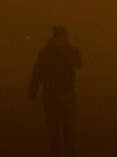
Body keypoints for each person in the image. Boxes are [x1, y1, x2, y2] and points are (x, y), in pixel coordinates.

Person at [29, 26, 82, 157]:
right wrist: (33, 87)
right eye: (60, 37)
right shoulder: (46, 52)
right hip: (52, 96)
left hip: (65, 96)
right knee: (54, 130)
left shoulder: (68, 51)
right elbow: (38, 70)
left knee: (68, 130)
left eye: (63, 37)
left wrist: (33, 88)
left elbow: (79, 63)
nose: (61, 39)